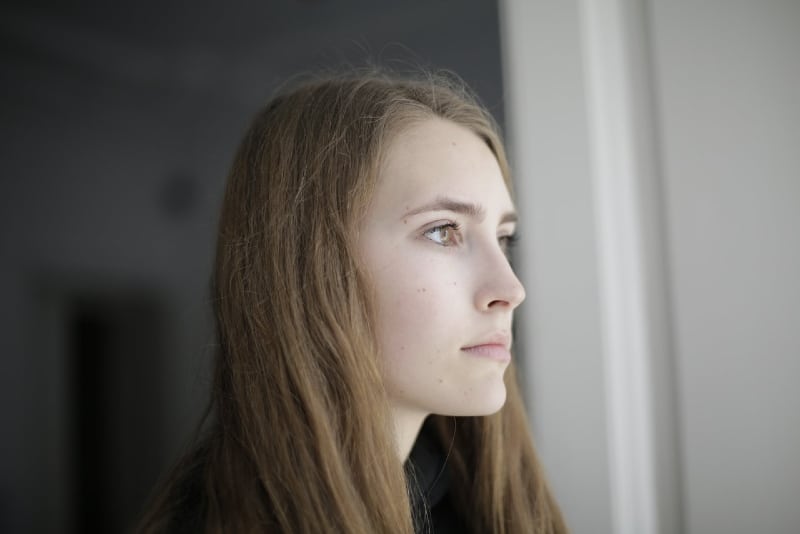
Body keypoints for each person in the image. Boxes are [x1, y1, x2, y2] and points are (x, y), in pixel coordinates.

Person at [136, 71, 567, 534]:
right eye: (442, 230)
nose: (511, 289)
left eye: (504, 238)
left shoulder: (482, 507)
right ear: (309, 264)